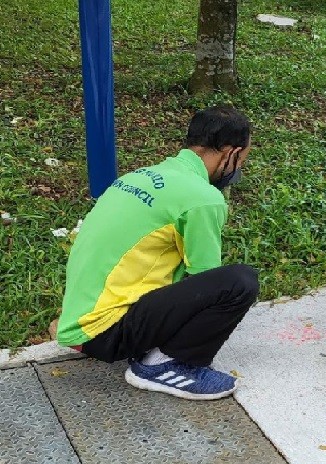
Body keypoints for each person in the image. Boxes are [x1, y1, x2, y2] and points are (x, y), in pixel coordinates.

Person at [55, 105, 258, 401]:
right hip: (106, 332)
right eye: (243, 160)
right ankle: (164, 364)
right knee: (239, 282)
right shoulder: (203, 199)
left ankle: (143, 347)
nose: (240, 169)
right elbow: (205, 280)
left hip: (80, 322)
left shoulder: (140, 176)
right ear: (231, 153)